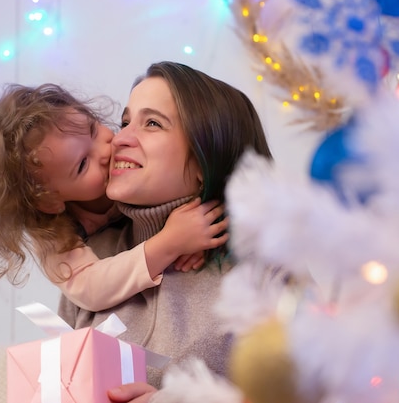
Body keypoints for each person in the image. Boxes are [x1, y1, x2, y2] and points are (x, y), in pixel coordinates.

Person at [51, 61, 274, 402]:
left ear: (204, 159)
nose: (120, 139)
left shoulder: (263, 268)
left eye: (152, 123)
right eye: (125, 122)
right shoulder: (93, 258)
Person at [0, 83, 229, 312]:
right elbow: (91, 289)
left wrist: (200, 230)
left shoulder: (125, 153)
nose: (107, 150)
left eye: (94, 129)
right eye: (82, 165)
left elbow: (183, 179)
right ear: (49, 200)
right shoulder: (53, 233)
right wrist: (171, 243)